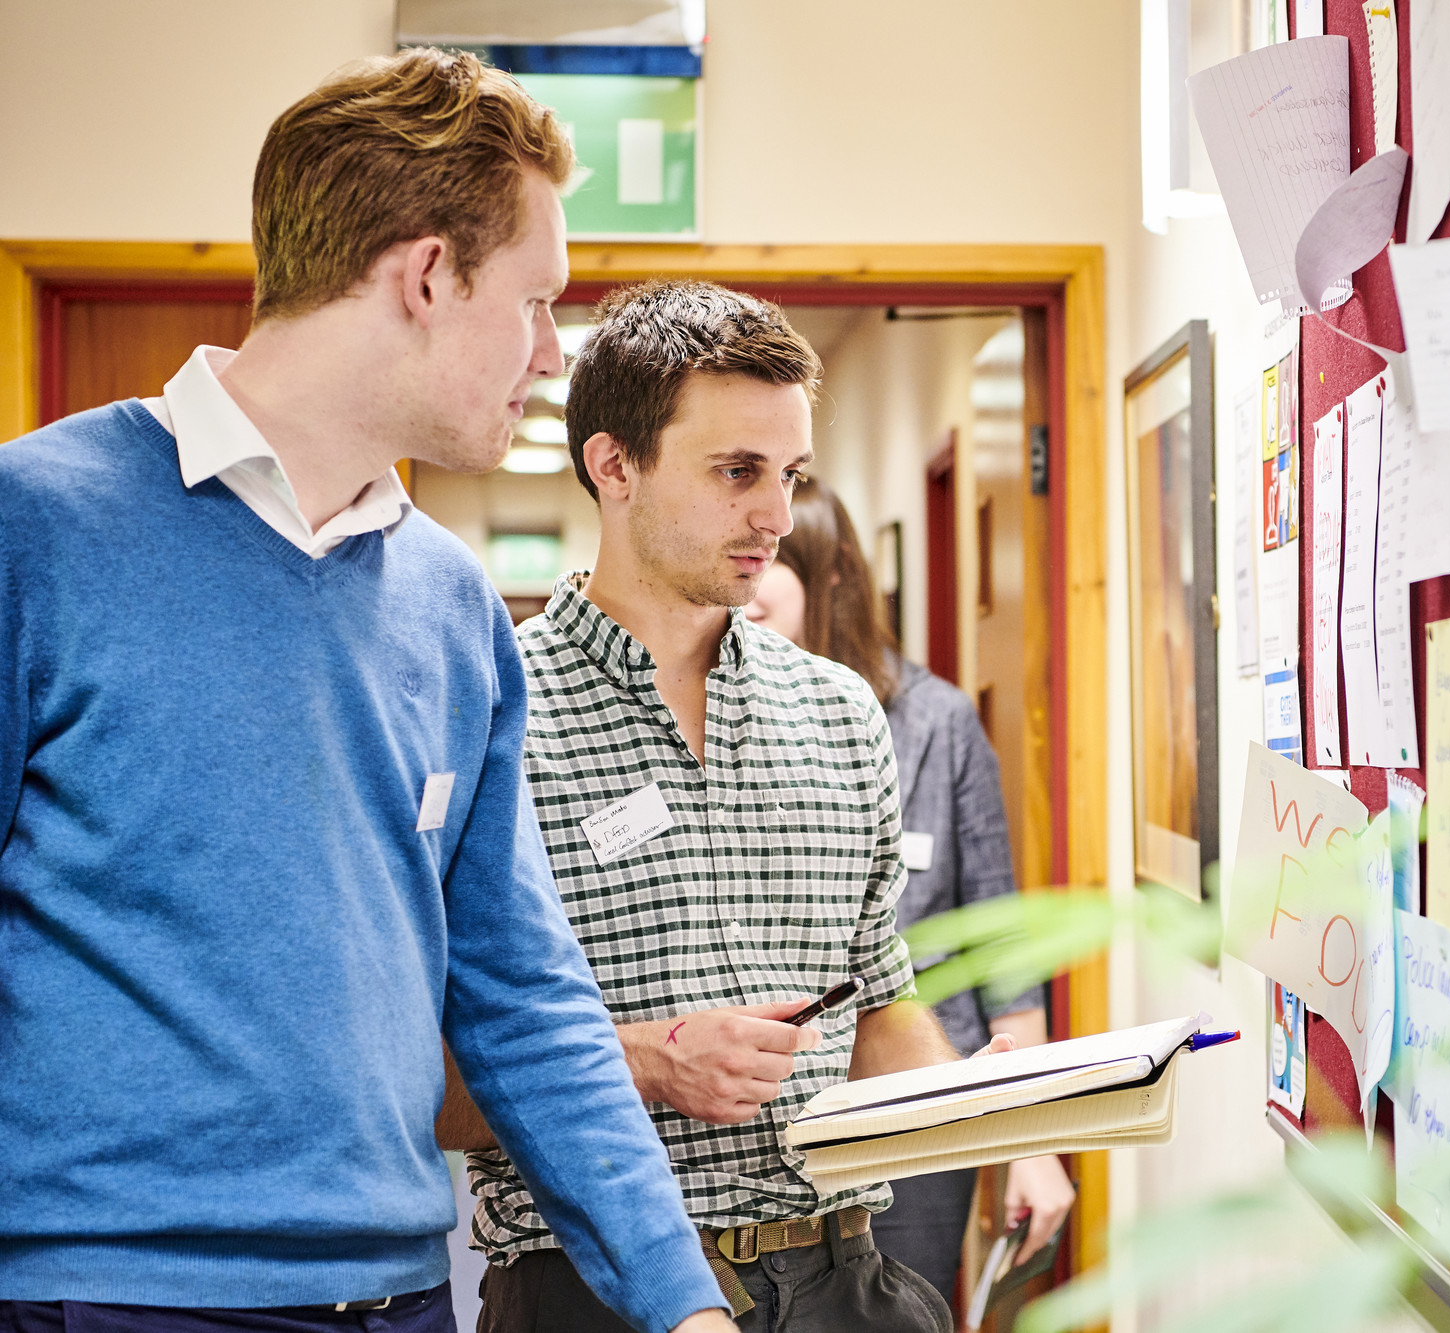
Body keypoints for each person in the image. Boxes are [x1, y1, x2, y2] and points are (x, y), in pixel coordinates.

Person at [0, 51, 730, 1333]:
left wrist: (685, 1306)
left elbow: (523, 995)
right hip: (113, 1296)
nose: (554, 354)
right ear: (430, 275)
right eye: (538, 302)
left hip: (398, 1298)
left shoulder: (453, 607)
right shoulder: (38, 527)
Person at [438, 280, 1071, 1333]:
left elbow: (876, 1011)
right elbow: (421, 1084)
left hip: (848, 1282)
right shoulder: (490, 711)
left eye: (790, 474)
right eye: (737, 471)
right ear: (614, 466)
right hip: (592, 1291)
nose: (776, 516)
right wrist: (649, 1060)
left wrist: (978, 1097)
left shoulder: (841, 714)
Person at [746, 478, 1074, 1305]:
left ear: (830, 577)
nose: (747, 582)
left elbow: (1002, 945)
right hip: (772, 1106)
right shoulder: (722, 710)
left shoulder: (936, 722)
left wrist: (1030, 1143)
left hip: (916, 1097)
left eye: (774, 559)